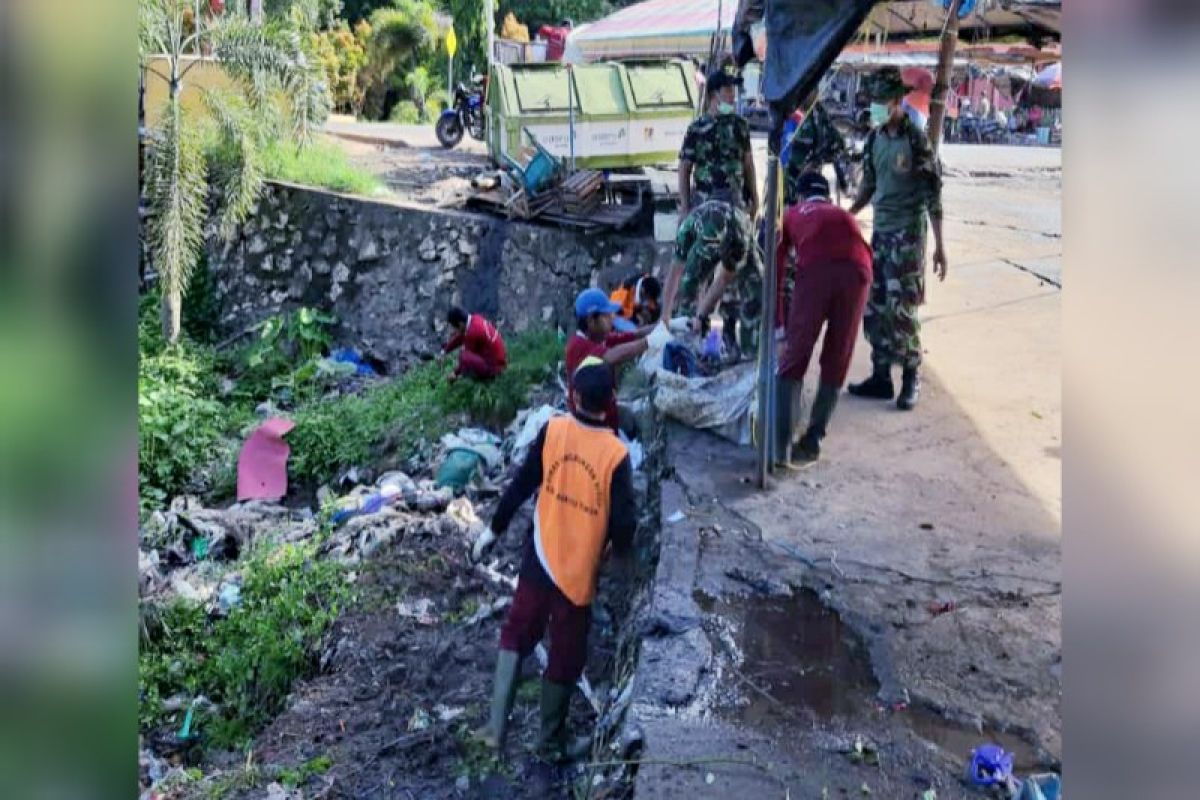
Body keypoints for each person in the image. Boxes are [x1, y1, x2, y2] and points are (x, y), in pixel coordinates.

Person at [474, 357, 636, 761]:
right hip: (578, 573)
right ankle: (550, 743)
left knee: (516, 633)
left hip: (539, 558)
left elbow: (520, 485)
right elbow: (625, 525)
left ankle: (494, 731)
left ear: (574, 396)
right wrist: (619, 559)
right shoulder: (616, 455)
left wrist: (492, 530)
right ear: (611, 400)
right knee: (565, 654)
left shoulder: (553, 431)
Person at [847, 66, 947, 410]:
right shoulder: (875, 139)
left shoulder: (916, 140)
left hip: (908, 235)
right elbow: (870, 185)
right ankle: (880, 376)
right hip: (882, 233)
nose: (874, 107)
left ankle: (910, 377)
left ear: (895, 101)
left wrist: (940, 247)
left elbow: (933, 194)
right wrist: (849, 213)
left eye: (879, 101)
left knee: (901, 309)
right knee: (874, 308)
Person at [773, 172, 872, 466]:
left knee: (795, 356)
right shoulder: (843, 214)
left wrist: (780, 326)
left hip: (817, 267)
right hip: (860, 271)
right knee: (837, 356)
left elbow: (777, 269)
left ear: (801, 196)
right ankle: (813, 439)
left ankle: (780, 449)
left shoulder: (791, 214)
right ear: (827, 197)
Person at [660, 198, 763, 357]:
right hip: (708, 221)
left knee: (755, 293)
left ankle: (752, 353)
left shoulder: (739, 239)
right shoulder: (687, 231)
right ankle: (686, 341)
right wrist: (665, 317)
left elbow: (723, 280)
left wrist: (701, 314)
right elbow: (675, 273)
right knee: (688, 285)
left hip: (736, 230)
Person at [565, 289, 667, 434]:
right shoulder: (577, 346)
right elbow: (612, 355)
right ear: (591, 321)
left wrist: (665, 326)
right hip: (592, 427)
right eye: (606, 316)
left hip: (606, 418)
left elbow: (634, 334)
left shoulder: (598, 338)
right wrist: (650, 342)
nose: (612, 319)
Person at [678, 66, 759, 220]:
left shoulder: (740, 126)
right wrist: (685, 206)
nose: (732, 95)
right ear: (714, 94)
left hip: (735, 204)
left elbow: (748, 164)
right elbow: (684, 168)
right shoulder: (697, 128)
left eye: (733, 90)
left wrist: (755, 198)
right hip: (705, 204)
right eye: (728, 90)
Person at [783, 90, 851, 206]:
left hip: (803, 186)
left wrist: (816, 162)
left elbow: (838, 145)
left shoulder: (818, 117)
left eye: (808, 90)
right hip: (783, 179)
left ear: (815, 92)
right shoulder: (786, 110)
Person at [442, 306, 507, 382]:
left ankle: (486, 378)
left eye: (455, 328)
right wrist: (445, 351)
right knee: (466, 354)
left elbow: (466, 359)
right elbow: (461, 337)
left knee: (463, 356)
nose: (455, 331)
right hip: (498, 360)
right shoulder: (475, 319)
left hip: (495, 368)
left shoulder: (472, 333)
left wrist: (455, 373)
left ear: (460, 324)